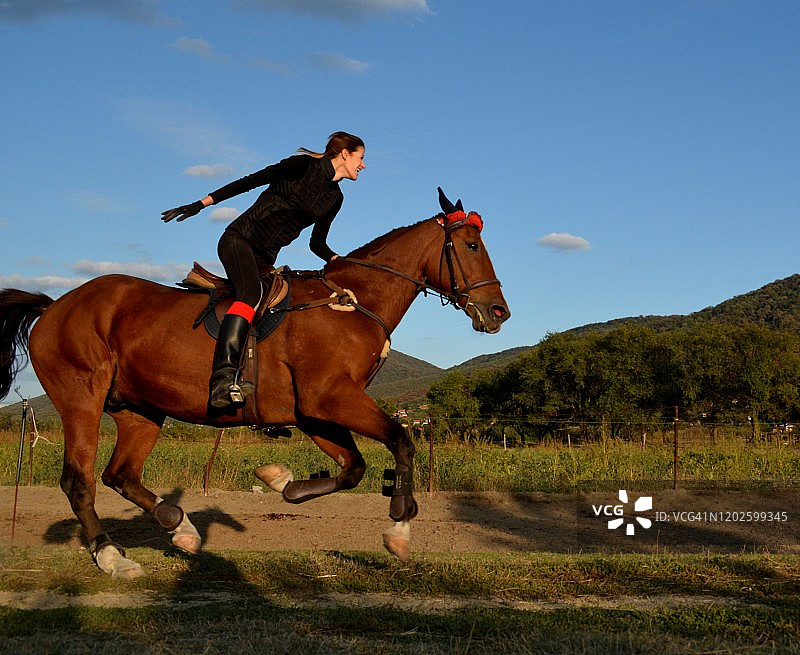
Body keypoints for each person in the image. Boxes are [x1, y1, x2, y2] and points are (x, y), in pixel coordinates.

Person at [161, 131, 366, 409]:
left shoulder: (335, 198)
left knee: (279, 308)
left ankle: (260, 386)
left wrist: (340, 260)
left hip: (265, 260)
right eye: (360, 157)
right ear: (344, 153)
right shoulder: (301, 166)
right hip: (239, 240)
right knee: (250, 295)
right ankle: (222, 381)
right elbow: (250, 181)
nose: (363, 165)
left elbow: (317, 243)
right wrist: (201, 204)